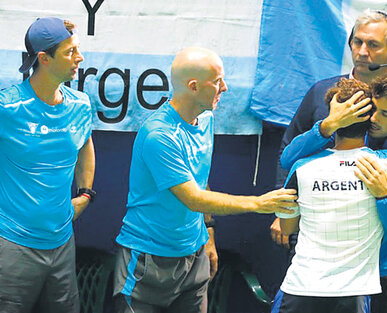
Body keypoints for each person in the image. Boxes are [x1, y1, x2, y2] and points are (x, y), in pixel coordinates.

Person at [113, 47, 298, 313]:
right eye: (218, 81)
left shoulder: (207, 119)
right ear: (193, 86)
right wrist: (259, 203)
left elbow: (200, 181)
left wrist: (208, 236)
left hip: (194, 256)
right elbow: (193, 198)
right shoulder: (159, 135)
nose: (225, 87)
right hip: (147, 261)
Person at [278, 71, 387, 313]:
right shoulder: (354, 136)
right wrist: (330, 123)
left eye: (384, 113)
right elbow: (288, 159)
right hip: (316, 279)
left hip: (379, 272)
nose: (372, 118)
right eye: (372, 108)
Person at [270, 9, 387, 278]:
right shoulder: (322, 92)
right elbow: (289, 151)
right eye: (358, 41)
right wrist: (282, 209)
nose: (362, 51)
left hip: (381, 247)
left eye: (373, 44)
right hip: (319, 238)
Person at [0, 17, 95, 313]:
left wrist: (86, 193)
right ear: (43, 58)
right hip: (13, 245)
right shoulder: (7, 108)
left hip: (62, 244)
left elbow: (85, 148)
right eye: (70, 52)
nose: (79, 58)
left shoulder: (80, 105)